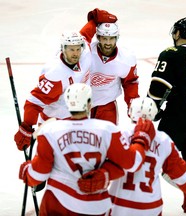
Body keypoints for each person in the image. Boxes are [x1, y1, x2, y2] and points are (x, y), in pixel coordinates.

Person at [18, 83, 156, 216]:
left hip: (57, 202)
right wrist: (141, 138)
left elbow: (38, 175)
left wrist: (26, 170)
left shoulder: (50, 131)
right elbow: (132, 163)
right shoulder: (107, 130)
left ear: (67, 103)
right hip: (94, 206)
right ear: (89, 103)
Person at [14, 9, 118, 151]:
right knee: (53, 160)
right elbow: (34, 102)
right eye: (71, 50)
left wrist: (94, 21)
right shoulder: (55, 73)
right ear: (63, 49)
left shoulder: (85, 52)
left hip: (78, 118)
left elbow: (85, 35)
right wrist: (26, 127)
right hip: (54, 122)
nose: (75, 53)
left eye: (77, 49)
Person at [107, 97, 186, 216]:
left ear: (130, 112)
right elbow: (180, 175)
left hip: (119, 205)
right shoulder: (164, 140)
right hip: (151, 206)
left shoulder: (118, 134)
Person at [147, 18, 186, 188]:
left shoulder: (171, 53)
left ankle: (147, 197)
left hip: (178, 117)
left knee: (157, 155)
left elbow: (157, 88)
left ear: (177, 33)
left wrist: (152, 108)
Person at [80, 9, 140, 125]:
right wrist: (94, 21)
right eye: (104, 38)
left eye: (111, 38)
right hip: (82, 107)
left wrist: (133, 107)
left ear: (117, 38)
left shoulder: (126, 58)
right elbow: (80, 38)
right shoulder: (86, 52)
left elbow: (130, 83)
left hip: (107, 107)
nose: (108, 42)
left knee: (108, 141)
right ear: (98, 37)